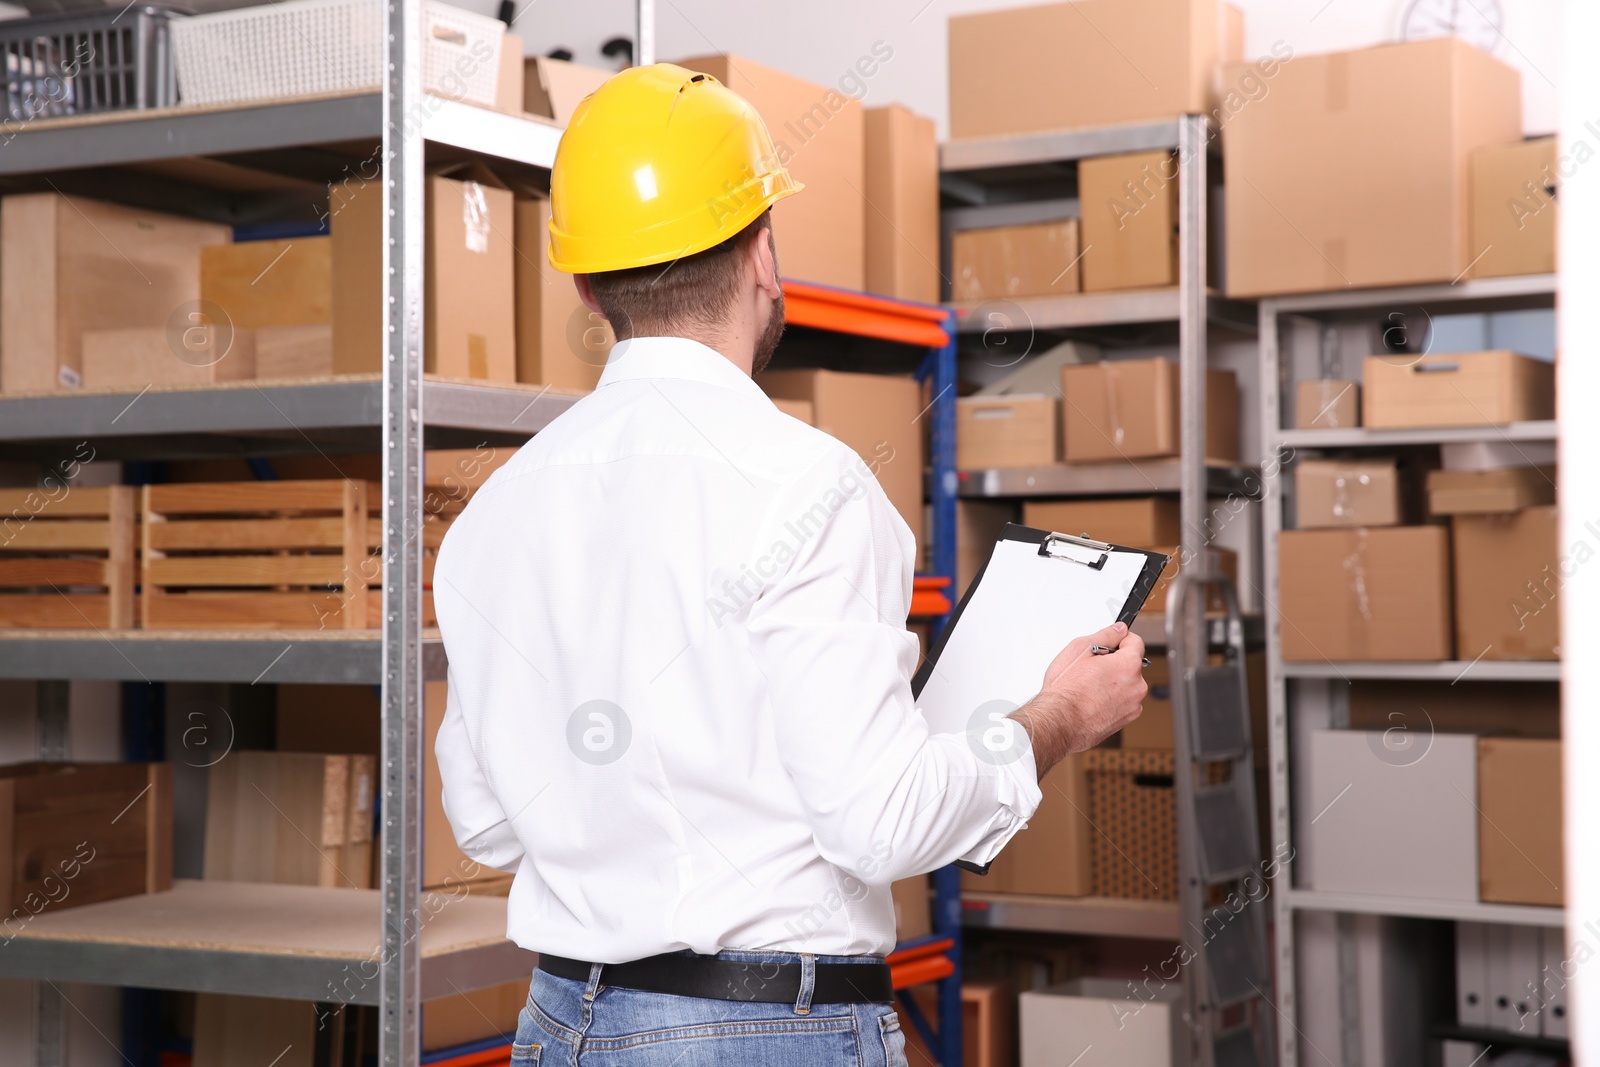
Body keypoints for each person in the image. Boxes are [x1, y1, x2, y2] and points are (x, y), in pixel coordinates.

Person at [432, 63, 1146, 1067]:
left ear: (587, 285)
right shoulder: (808, 483)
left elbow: (488, 824)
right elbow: (881, 823)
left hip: (560, 1024)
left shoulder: (495, 508)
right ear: (764, 253)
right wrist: (1060, 711)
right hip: (754, 1031)